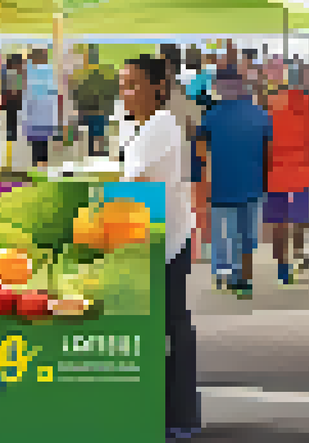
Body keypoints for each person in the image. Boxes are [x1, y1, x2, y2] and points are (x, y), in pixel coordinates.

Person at [118, 55, 199, 441]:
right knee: (167, 327)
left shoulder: (162, 125)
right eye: (122, 85)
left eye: (133, 85)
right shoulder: (144, 126)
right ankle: (174, 415)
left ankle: (180, 418)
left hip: (167, 241)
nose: (125, 93)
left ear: (158, 88)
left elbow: (132, 179)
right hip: (158, 239)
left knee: (172, 327)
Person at [196, 70, 271, 297]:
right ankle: (242, 277)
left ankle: (222, 273)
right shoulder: (260, 115)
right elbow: (268, 151)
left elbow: (200, 151)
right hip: (251, 183)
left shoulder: (211, 116)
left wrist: (203, 178)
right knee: (246, 234)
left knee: (222, 232)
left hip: (220, 184)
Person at [264, 81, 309, 284]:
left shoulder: (269, 107)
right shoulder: (306, 106)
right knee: (299, 216)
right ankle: (298, 253)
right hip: (301, 172)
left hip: (275, 173)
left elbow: (265, 141)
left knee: (279, 222)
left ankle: (282, 268)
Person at [72, 49, 117, 158]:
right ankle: (94, 153)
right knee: (92, 135)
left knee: (95, 134)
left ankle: (95, 153)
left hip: (94, 112)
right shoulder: (83, 75)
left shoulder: (89, 75)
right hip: (91, 112)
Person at [22, 49, 58, 168]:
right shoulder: (50, 73)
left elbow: (28, 98)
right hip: (46, 117)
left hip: (36, 117)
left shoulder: (32, 74)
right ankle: (42, 168)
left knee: (37, 149)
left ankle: (38, 170)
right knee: (42, 147)